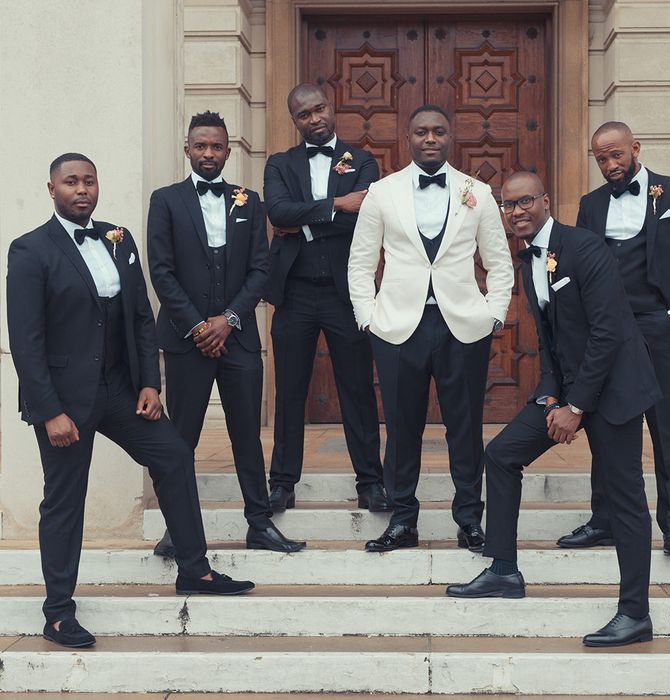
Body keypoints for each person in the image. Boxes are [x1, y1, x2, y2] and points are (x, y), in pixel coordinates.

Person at [6, 153, 254, 648]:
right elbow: (25, 341)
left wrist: (149, 383)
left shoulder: (118, 239)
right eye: (71, 182)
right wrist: (50, 410)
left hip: (120, 390)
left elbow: (141, 315)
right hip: (65, 402)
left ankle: (195, 570)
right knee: (64, 501)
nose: (82, 189)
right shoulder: (30, 250)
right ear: (50, 188)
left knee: (174, 456)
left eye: (89, 181)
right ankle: (57, 614)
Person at [447, 171, 662, 647]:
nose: (517, 211)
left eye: (525, 202)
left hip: (615, 390)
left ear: (546, 200)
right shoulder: (530, 261)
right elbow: (551, 337)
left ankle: (635, 615)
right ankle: (503, 569)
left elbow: (607, 332)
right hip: (569, 390)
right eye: (508, 205)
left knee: (623, 496)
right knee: (502, 455)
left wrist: (577, 405)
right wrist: (549, 393)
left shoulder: (584, 248)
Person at [348, 104, 514, 553]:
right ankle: (403, 521)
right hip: (398, 327)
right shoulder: (381, 192)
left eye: (439, 131)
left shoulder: (476, 191)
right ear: (408, 136)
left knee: (466, 428)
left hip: (463, 326)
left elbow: (499, 263)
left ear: (450, 137)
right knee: (402, 429)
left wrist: (493, 314)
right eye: (421, 131)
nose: (430, 139)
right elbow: (361, 263)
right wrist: (369, 318)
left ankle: (469, 521)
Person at [147, 111, 304, 555]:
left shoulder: (248, 201)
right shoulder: (166, 200)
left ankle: (259, 523)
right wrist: (199, 325)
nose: (208, 153)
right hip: (185, 339)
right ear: (187, 149)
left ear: (228, 150)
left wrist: (229, 319)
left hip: (239, 339)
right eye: (200, 146)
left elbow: (261, 268)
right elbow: (161, 271)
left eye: (216, 146)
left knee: (246, 437)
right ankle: (176, 529)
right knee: (183, 439)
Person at [556, 121, 670, 556]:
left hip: (657, 324)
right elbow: (582, 267)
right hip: (606, 331)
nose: (610, 165)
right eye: (601, 159)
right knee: (605, 425)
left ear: (635, 148)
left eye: (616, 155)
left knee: (665, 425)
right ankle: (603, 519)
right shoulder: (590, 205)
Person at [262, 83, 387, 513]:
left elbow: (367, 211)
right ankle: (282, 483)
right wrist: (337, 205)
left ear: (331, 109)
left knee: (357, 389)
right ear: (293, 121)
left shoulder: (363, 160)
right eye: (303, 114)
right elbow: (277, 211)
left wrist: (306, 216)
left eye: (319, 110)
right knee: (289, 392)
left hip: (344, 293)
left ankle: (371, 482)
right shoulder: (280, 164)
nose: (314, 119)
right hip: (293, 292)